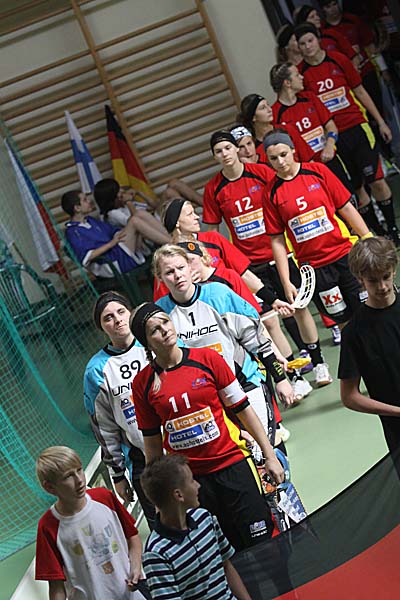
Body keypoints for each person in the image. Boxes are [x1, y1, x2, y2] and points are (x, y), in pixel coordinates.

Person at [130, 302, 284, 550]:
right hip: (190, 480)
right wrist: (160, 496)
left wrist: (270, 456)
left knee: (263, 542)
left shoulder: (208, 359)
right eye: (155, 330)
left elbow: (244, 410)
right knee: (223, 550)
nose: (165, 330)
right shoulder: (142, 384)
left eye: (165, 322)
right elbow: (152, 445)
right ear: (146, 342)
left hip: (234, 465)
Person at [203, 129, 322, 391]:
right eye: (218, 151)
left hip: (280, 255)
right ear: (214, 157)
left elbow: (283, 195)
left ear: (237, 149)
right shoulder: (214, 189)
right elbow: (211, 233)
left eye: (228, 148)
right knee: (269, 321)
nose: (224, 154)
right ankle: (295, 376)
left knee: (298, 307)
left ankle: (318, 362)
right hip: (249, 266)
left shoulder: (260, 172)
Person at [263, 129, 371, 375]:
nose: (280, 162)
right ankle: (365, 366)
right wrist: (286, 281)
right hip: (314, 270)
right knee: (343, 321)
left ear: (293, 150)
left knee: (367, 312)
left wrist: (367, 239)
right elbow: (277, 240)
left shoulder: (317, 171)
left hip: (345, 256)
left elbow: (346, 208)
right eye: (273, 158)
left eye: (283, 154)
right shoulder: (270, 193)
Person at [153, 244, 295, 429]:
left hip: (245, 383)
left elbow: (257, 340)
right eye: (169, 272)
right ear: (160, 277)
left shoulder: (219, 294)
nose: (178, 275)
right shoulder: (160, 313)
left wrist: (280, 379)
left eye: (181, 267)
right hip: (206, 398)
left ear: (189, 267)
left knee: (267, 443)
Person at [295, 22, 400, 244]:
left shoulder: (338, 60)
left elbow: (360, 91)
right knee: (356, 188)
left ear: (318, 40)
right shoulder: (301, 74)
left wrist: (381, 122)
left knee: (376, 180)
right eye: (302, 44)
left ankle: (393, 229)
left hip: (356, 127)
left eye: (310, 40)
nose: (307, 46)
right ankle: (377, 234)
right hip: (332, 139)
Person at [35, 446, 147, 600]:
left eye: (79, 470)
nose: (79, 480)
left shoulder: (104, 497)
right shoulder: (48, 526)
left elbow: (133, 537)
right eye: (68, 476)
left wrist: (135, 567)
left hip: (133, 595)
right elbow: (56, 587)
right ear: (49, 487)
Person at [84, 291, 155, 528]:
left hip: (182, 445)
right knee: (164, 527)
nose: (117, 320)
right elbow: (104, 428)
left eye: (121, 312)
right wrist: (118, 474)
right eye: (108, 318)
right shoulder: (96, 370)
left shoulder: (154, 341)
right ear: (101, 327)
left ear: (130, 312)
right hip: (142, 460)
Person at [141, 454, 252, 600]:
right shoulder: (156, 553)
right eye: (192, 481)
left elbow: (226, 566)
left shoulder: (205, 518)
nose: (198, 485)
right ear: (179, 495)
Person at [338, 237, 400, 459]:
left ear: (394, 270)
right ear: (359, 279)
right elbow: (350, 396)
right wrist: (397, 412)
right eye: (373, 280)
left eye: (386, 277)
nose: (382, 287)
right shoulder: (354, 333)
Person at [62, 190, 143, 277]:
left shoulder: (90, 220)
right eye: (85, 200)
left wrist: (122, 234)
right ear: (77, 208)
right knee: (134, 221)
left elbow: (112, 230)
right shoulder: (72, 232)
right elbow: (87, 256)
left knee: (139, 217)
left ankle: (154, 244)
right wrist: (111, 244)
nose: (89, 201)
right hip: (110, 263)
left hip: (117, 251)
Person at [93, 178, 170, 247]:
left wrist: (139, 193)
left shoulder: (124, 204)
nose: (122, 191)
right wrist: (128, 201)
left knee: (169, 191)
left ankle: (171, 237)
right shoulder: (113, 214)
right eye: (118, 190)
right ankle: (170, 240)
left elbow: (154, 206)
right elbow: (137, 220)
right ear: (112, 197)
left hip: (156, 224)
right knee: (141, 213)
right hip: (148, 237)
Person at [237, 95, 314, 163]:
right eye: (263, 108)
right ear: (253, 117)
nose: (269, 110)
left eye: (268, 105)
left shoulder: (287, 129)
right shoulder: (252, 147)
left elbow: (309, 160)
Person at [294, 4, 360, 67]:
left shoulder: (331, 33)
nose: (317, 18)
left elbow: (352, 55)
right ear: (304, 22)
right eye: (312, 17)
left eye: (317, 15)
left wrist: (354, 69)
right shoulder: (303, 45)